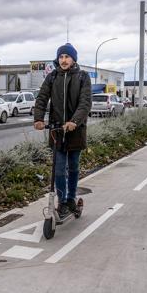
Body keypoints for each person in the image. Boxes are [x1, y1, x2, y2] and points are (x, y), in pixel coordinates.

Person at [34, 43, 92, 218]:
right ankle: (62, 202)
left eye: (67, 57)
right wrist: (38, 118)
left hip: (75, 130)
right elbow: (42, 97)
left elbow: (85, 102)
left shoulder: (82, 77)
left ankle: (71, 198)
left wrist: (74, 121)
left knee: (73, 167)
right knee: (59, 169)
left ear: (73, 59)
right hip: (57, 130)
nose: (64, 60)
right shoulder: (52, 77)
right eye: (61, 57)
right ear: (57, 59)